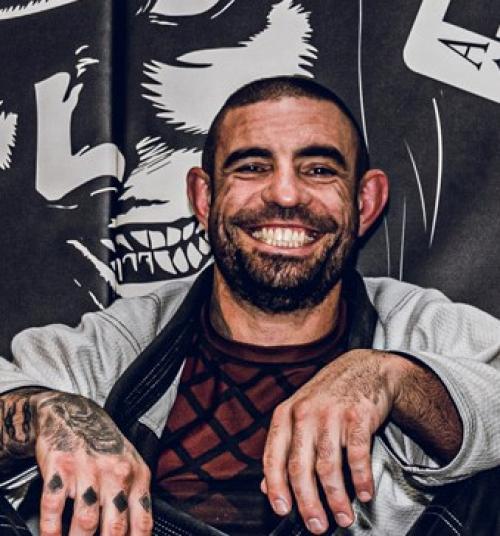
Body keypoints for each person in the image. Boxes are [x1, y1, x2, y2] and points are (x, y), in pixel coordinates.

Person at [0, 76, 500, 536]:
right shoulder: (126, 339)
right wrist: (49, 414)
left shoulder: (417, 326)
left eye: (319, 169)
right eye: (253, 167)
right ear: (203, 198)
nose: (285, 194)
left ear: (365, 203)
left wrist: (388, 378)